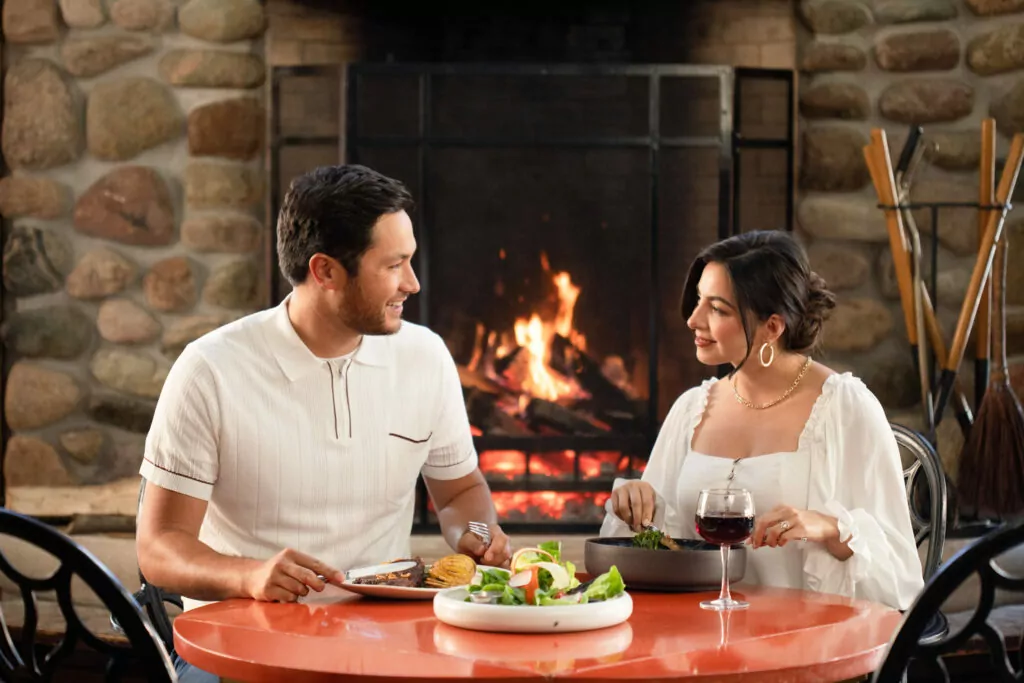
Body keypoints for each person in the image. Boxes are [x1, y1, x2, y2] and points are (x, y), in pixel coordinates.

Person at [136, 164, 512, 682]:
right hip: (242, 648)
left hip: (384, 643)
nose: (413, 283)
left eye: (411, 261)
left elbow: (458, 492)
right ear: (326, 271)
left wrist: (476, 531)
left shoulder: (425, 357)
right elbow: (159, 547)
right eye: (395, 265)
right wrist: (249, 575)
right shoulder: (210, 370)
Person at [601, 230, 923, 610]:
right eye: (699, 300)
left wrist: (829, 528)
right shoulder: (690, 410)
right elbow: (660, 547)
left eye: (718, 309)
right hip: (700, 637)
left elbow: (901, 575)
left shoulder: (846, 410)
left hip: (803, 642)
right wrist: (637, 504)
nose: (693, 319)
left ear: (772, 327)